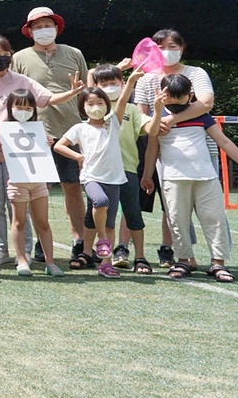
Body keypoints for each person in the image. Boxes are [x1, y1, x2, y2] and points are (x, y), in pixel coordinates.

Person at [141, 75, 238, 282]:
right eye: (170, 98)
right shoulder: (156, 119)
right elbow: (152, 149)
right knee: (177, 220)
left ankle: (218, 263)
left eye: (181, 99)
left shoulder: (202, 115)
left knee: (214, 219)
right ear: (161, 94)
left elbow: (224, 141)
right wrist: (147, 175)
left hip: (206, 177)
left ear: (191, 96)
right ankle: (184, 260)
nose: (176, 103)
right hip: (173, 178)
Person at [0, 34, 81, 265]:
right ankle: (0, 248)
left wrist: (72, 93)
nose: (1, 59)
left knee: (18, 203)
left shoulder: (22, 81)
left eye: (5, 55)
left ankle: (22, 252)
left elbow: (48, 98)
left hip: (19, 151)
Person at [132, 29, 216, 268]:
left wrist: (169, 120)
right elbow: (141, 115)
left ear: (182, 48)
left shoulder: (196, 73)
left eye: (172, 46)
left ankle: (218, 260)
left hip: (201, 149)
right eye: (160, 47)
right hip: (161, 150)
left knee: (210, 210)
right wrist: (153, 125)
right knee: (174, 207)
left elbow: (205, 103)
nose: (166, 52)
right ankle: (184, 258)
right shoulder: (147, 78)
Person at [11, 6, 90, 261]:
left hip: (71, 129)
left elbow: (86, 91)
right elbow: (17, 96)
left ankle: (80, 239)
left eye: (48, 25)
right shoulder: (20, 58)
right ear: (29, 31)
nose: (43, 30)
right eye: (37, 26)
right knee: (38, 189)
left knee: (74, 188)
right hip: (33, 132)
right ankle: (40, 243)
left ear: (57, 28)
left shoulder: (74, 53)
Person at [55, 86, 133, 279]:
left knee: (110, 222)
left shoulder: (112, 123)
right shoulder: (80, 128)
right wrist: (79, 157)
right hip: (91, 178)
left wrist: (130, 81)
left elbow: (122, 101)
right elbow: (59, 146)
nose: (96, 107)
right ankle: (103, 242)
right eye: (90, 103)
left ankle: (105, 264)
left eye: (100, 103)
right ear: (83, 107)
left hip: (114, 179)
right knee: (100, 202)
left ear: (107, 105)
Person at [91, 64, 153, 274]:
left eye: (113, 83)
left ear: (122, 84)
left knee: (133, 213)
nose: (109, 88)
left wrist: (160, 113)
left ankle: (141, 257)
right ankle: (95, 256)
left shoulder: (133, 109)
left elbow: (148, 128)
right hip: (100, 172)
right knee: (100, 215)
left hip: (127, 169)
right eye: (104, 84)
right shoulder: (95, 107)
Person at [1, 91, 65, 277]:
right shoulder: (5, 129)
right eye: (19, 107)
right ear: (11, 108)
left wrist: (48, 143)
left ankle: (50, 262)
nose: (23, 111)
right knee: (19, 221)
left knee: (43, 222)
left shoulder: (39, 129)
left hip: (38, 182)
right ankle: (22, 259)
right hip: (17, 181)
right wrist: (0, 148)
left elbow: (44, 153)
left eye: (28, 108)